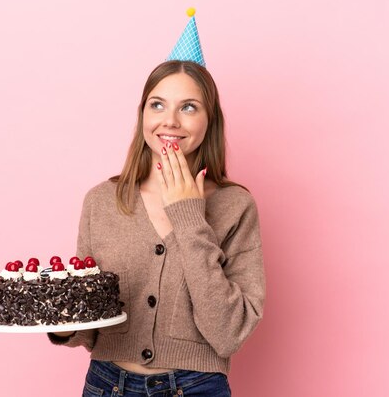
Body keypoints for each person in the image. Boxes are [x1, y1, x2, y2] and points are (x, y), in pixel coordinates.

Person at [47, 59, 266, 397]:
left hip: (195, 388)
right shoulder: (102, 201)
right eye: (158, 104)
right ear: (143, 115)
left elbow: (228, 333)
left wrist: (189, 216)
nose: (170, 121)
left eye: (189, 107)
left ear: (210, 121)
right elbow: (91, 325)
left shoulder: (236, 206)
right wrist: (62, 325)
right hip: (107, 386)